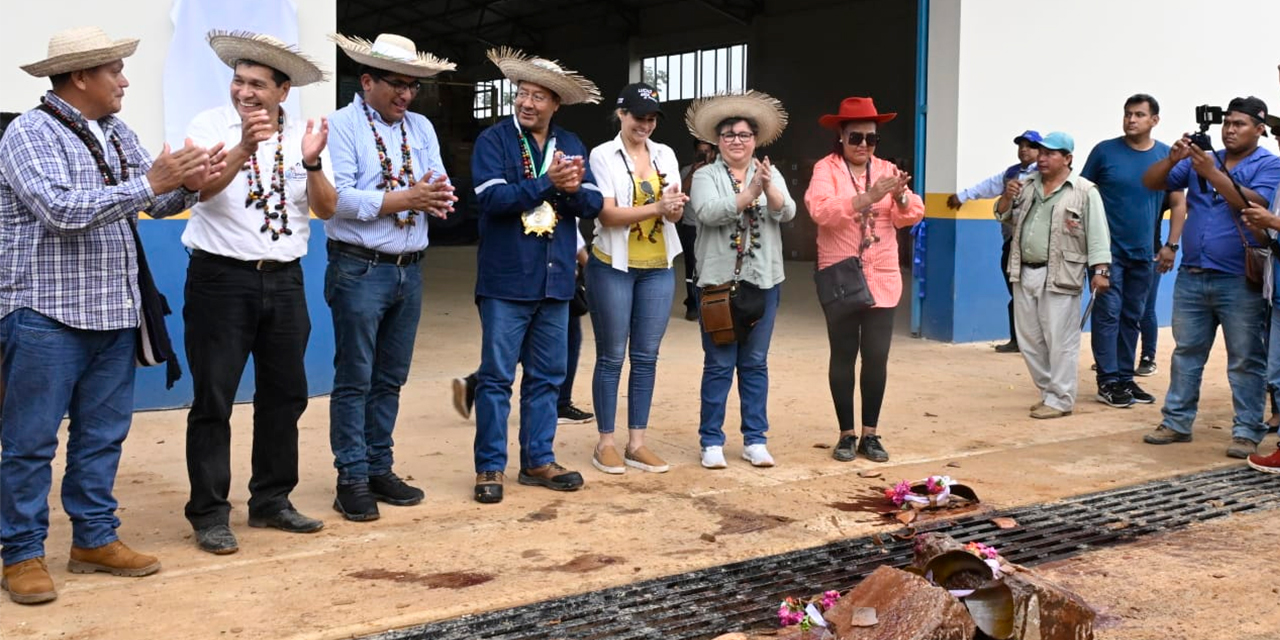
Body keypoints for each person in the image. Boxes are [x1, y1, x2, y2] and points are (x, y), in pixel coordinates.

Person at [0, 27, 224, 604]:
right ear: (81, 77)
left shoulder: (116, 130)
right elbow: (59, 211)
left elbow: (151, 200)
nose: (125, 82)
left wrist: (190, 186)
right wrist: (153, 181)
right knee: (30, 442)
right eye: (115, 72)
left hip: (112, 309)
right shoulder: (29, 133)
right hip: (44, 312)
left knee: (102, 438)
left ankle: (94, 540)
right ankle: (21, 554)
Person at [179, 31, 335, 555]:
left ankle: (271, 500)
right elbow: (200, 190)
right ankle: (209, 513)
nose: (244, 92)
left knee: (285, 394)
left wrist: (312, 163)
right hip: (221, 278)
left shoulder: (305, 136)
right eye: (238, 81)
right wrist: (245, 145)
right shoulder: (208, 126)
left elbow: (328, 208)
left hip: (285, 279)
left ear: (282, 92)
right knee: (214, 398)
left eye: (256, 85)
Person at [325, 33, 458, 521]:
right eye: (396, 85)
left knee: (390, 378)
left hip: (409, 270)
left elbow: (438, 178)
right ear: (366, 81)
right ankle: (351, 477)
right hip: (359, 266)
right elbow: (336, 198)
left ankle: (379, 466)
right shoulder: (340, 126)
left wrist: (441, 197)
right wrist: (406, 199)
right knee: (355, 378)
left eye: (412, 86)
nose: (406, 95)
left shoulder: (420, 127)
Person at [470, 48, 603, 504]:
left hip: (555, 280)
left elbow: (592, 203)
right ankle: (490, 467)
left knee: (547, 376)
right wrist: (551, 183)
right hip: (506, 280)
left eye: (538, 96)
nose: (526, 103)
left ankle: (538, 459)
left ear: (555, 103)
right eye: (521, 93)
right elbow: (491, 199)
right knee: (496, 378)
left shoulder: (570, 142)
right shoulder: (493, 141)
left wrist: (569, 190)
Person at [1139, 97, 1280, 458]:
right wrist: (1173, 158)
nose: (1230, 130)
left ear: (1260, 128)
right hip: (1192, 274)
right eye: (1227, 123)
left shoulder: (1269, 164)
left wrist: (1211, 172)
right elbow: (1151, 182)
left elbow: (1256, 203)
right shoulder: (1204, 158)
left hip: (1239, 279)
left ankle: (1247, 430)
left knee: (1246, 358)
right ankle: (1176, 422)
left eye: (1240, 124)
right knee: (1186, 352)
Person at [805, 97, 924, 463]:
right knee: (843, 355)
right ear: (841, 137)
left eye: (870, 139)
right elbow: (820, 210)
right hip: (841, 275)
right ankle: (846, 433)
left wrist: (901, 197)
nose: (863, 146)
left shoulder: (887, 169)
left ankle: (870, 434)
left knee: (876, 357)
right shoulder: (826, 169)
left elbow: (912, 215)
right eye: (855, 137)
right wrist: (867, 198)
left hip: (882, 276)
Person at [686, 91, 795, 468]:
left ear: (755, 140)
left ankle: (755, 439)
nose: (737, 140)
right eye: (729, 134)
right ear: (717, 141)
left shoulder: (768, 172)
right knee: (718, 364)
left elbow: (788, 211)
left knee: (755, 363)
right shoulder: (705, 175)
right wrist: (750, 193)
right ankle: (711, 440)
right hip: (717, 283)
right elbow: (708, 211)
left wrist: (768, 188)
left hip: (763, 281)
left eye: (745, 134)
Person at [585, 82, 688, 475]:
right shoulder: (602, 155)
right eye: (638, 117)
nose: (644, 125)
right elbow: (607, 214)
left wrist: (674, 209)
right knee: (611, 356)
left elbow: (672, 214)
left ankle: (637, 443)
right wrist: (658, 206)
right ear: (621, 114)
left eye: (651, 119)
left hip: (658, 265)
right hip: (614, 264)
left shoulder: (665, 154)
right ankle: (606, 442)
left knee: (646, 357)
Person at [995, 132, 1111, 419]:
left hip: (1061, 273)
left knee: (1061, 341)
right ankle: (1049, 392)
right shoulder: (1026, 185)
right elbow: (1002, 216)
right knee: (1029, 340)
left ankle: (1061, 399)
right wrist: (1006, 198)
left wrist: (1100, 271)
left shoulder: (1085, 191)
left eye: (1050, 153)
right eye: (1041, 152)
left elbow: (1098, 235)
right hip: (1024, 271)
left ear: (1068, 158)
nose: (1042, 158)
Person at [1082, 94, 1184, 409]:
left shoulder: (1168, 156)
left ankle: (1125, 378)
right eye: (1128, 114)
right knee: (1108, 315)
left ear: (1154, 120)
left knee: (1133, 316)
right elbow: (1083, 194)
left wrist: (1171, 245)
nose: (1131, 120)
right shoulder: (1104, 152)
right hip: (1106, 253)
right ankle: (1108, 380)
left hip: (1146, 253)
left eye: (1139, 115)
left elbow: (1179, 203)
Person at [450, 227, 595, 425]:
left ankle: (476, 382)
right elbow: (568, 231)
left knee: (533, 341)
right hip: (550, 272)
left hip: (547, 268)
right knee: (562, 340)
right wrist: (587, 264)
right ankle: (559, 403)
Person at [948, 130, 1041, 354]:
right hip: (1011, 241)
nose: (1024, 149)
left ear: (1041, 151)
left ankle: (1038, 342)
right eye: (1021, 145)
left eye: (1030, 146)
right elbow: (988, 186)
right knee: (1014, 291)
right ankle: (1017, 340)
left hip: (1036, 244)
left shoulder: (1045, 173)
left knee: (1036, 294)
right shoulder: (1011, 173)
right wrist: (963, 196)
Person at [678, 139, 717, 321]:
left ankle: (712, 305)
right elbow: (680, 195)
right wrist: (693, 172)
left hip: (712, 226)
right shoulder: (687, 171)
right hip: (691, 226)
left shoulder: (719, 171)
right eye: (701, 151)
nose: (704, 155)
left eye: (707, 151)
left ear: (714, 152)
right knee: (691, 268)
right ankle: (692, 304)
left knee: (713, 265)